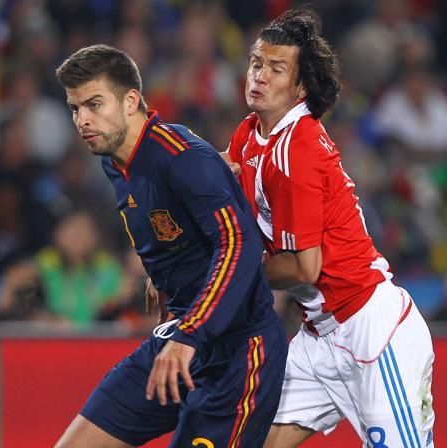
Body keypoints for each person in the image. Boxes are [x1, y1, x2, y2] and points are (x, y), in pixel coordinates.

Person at [54, 44, 288, 448]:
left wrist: (190, 334)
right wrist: (163, 273)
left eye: (94, 104)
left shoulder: (181, 157)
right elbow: (172, 225)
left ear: (131, 101)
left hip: (238, 351)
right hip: (179, 339)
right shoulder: (115, 162)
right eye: (75, 109)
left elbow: (239, 244)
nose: (83, 120)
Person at [224, 9, 435, 447]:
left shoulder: (298, 147)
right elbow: (215, 195)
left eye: (276, 68)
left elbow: (304, 268)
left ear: (301, 87)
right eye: (256, 62)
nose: (259, 75)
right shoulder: (248, 134)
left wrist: (230, 273)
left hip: (372, 332)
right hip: (318, 336)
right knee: (247, 439)